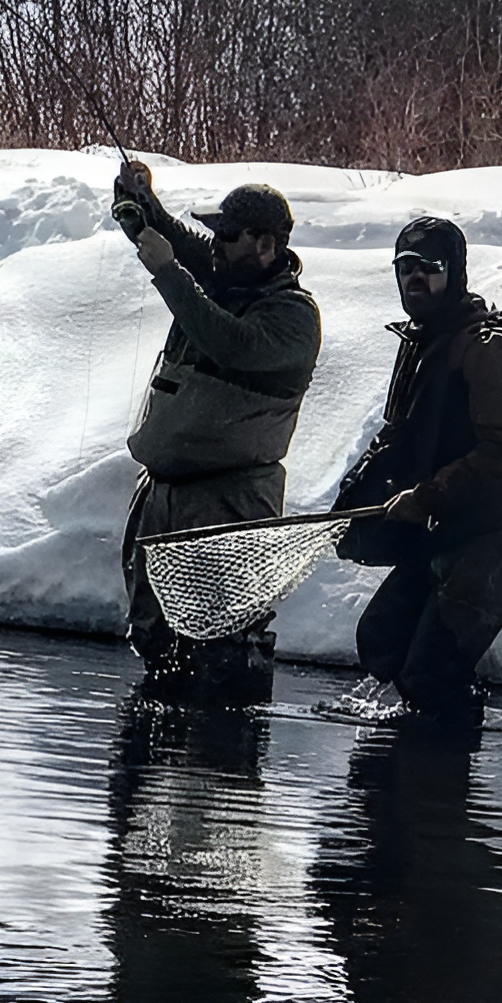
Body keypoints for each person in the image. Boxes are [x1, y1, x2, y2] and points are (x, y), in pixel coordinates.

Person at [333, 216, 502, 723]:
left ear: (455, 272)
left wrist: (426, 496)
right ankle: (400, 787)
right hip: (450, 523)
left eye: (429, 267)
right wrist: (356, 506)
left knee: (432, 672)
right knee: (381, 643)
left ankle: (446, 783)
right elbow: (400, 439)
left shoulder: (488, 348)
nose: (415, 278)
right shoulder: (421, 345)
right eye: (405, 267)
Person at [114, 165, 322, 691]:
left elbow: (230, 343)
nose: (217, 246)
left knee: (223, 650)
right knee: (155, 639)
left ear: (267, 245)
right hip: (165, 496)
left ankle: (226, 762)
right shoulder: (223, 277)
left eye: (228, 237)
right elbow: (181, 247)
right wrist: (143, 208)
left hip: (230, 503)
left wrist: (167, 274)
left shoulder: (293, 317)